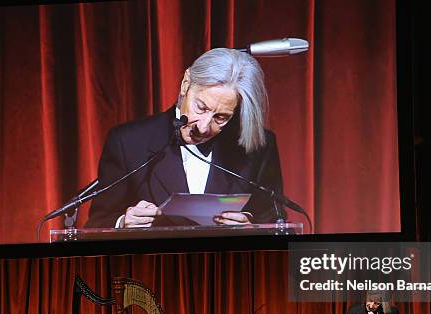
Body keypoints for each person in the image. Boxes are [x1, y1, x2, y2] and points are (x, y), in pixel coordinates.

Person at [85, 48, 285, 228]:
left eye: (221, 117)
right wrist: (122, 222)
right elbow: (97, 224)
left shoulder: (258, 147)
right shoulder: (128, 142)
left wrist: (253, 230)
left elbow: (277, 224)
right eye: (201, 107)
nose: (204, 127)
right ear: (185, 84)